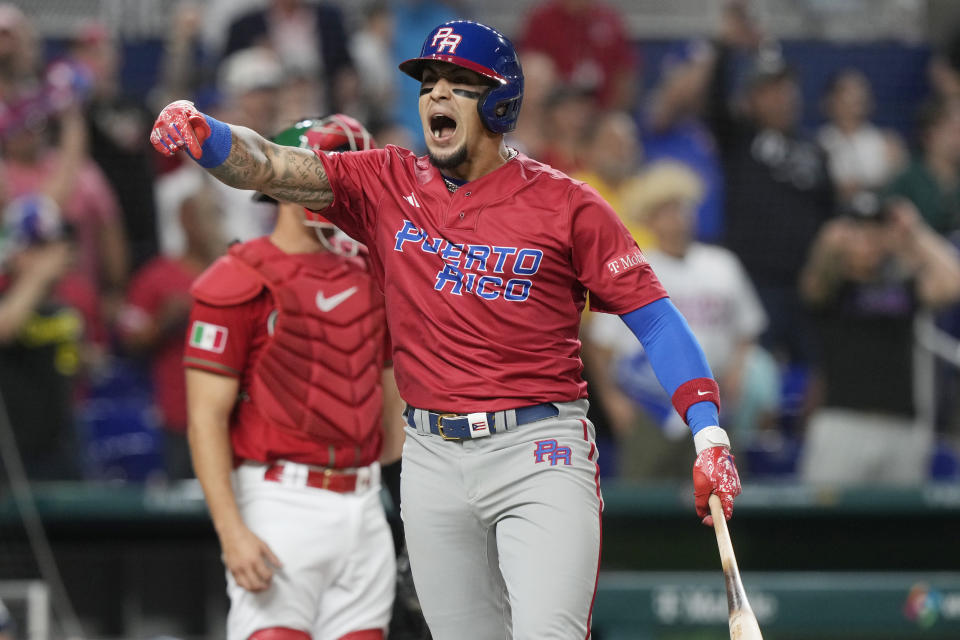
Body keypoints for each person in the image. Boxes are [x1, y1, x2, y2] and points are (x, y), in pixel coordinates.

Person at [150, 20, 742, 640]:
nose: (435, 93)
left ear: (499, 101)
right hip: (430, 455)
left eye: (458, 83)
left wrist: (708, 433)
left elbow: (654, 317)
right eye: (429, 80)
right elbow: (271, 164)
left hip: (538, 449)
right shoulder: (387, 183)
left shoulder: (568, 205)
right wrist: (206, 134)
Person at [183, 115, 401, 640]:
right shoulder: (239, 275)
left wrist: (403, 519)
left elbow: (390, 406)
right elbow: (204, 418)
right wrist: (231, 530)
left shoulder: (382, 274)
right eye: (323, 170)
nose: (334, 186)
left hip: (366, 499)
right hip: (280, 497)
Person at [587, 162, 778, 479]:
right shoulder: (633, 267)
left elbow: (747, 329)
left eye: (683, 208)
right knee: (644, 506)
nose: (678, 218)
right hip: (650, 408)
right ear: (648, 218)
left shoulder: (722, 264)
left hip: (711, 405)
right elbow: (599, 345)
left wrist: (738, 369)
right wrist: (612, 400)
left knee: (723, 495)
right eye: (667, 210)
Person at [799, 192, 960, 486]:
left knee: (898, 530)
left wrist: (915, 232)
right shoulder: (834, 291)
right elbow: (815, 281)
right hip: (843, 425)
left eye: (876, 230)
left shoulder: (902, 289)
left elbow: (952, 282)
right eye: (860, 230)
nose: (869, 239)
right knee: (825, 527)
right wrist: (832, 240)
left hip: (901, 428)